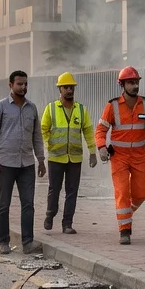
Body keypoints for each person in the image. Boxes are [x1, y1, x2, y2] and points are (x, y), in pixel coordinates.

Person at [95, 66, 145, 245]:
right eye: (131, 83)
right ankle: (124, 230)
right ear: (122, 85)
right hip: (119, 157)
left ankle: (126, 213)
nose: (135, 86)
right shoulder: (112, 106)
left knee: (142, 192)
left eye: (136, 82)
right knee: (123, 192)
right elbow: (100, 130)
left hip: (139, 156)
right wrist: (101, 147)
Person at [0, 70, 46, 256]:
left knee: (28, 204)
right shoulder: (0, 108)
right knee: (3, 204)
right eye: (19, 84)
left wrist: (41, 159)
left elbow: (37, 136)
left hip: (27, 164)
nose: (23, 87)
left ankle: (27, 242)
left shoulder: (32, 108)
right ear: (10, 85)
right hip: (5, 163)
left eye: (25, 84)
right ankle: (3, 242)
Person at [41, 72, 97, 234]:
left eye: (71, 87)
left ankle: (67, 223)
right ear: (60, 89)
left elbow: (88, 131)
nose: (69, 90)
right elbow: (43, 129)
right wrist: (48, 146)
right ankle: (50, 214)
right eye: (66, 87)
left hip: (75, 158)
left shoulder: (81, 110)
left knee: (72, 192)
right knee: (54, 189)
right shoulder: (51, 108)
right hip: (56, 157)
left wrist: (92, 152)